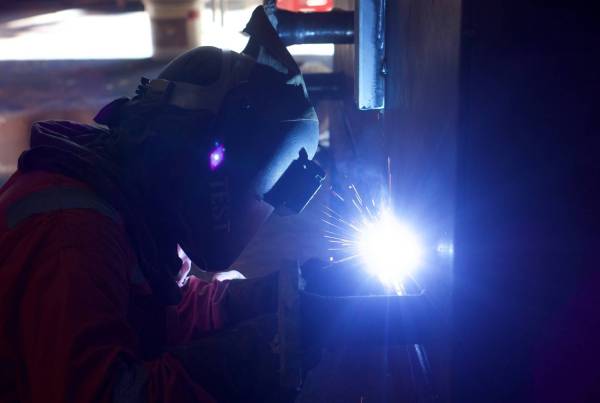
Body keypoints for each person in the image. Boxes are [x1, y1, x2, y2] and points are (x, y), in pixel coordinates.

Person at [0, 6, 323, 403]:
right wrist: (253, 356)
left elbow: (162, 310)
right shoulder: (75, 236)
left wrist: (271, 297)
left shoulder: (124, 204)